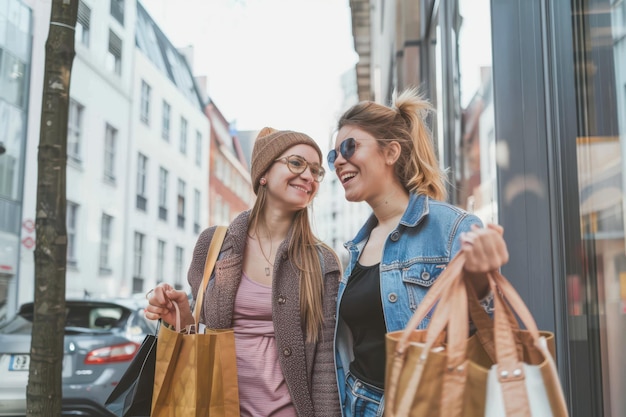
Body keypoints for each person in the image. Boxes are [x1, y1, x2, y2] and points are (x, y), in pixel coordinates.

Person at [328, 87, 510, 416]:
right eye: (333, 155)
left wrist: (482, 281)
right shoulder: (358, 246)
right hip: (359, 403)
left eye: (349, 147)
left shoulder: (452, 228)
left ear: (391, 152)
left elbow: (498, 330)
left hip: (430, 405)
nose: (339, 160)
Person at [145, 127, 342, 417]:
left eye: (316, 171)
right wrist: (180, 316)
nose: (309, 177)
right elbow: (197, 335)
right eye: (297, 163)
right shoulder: (214, 245)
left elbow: (325, 366)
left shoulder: (322, 261)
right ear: (263, 173)